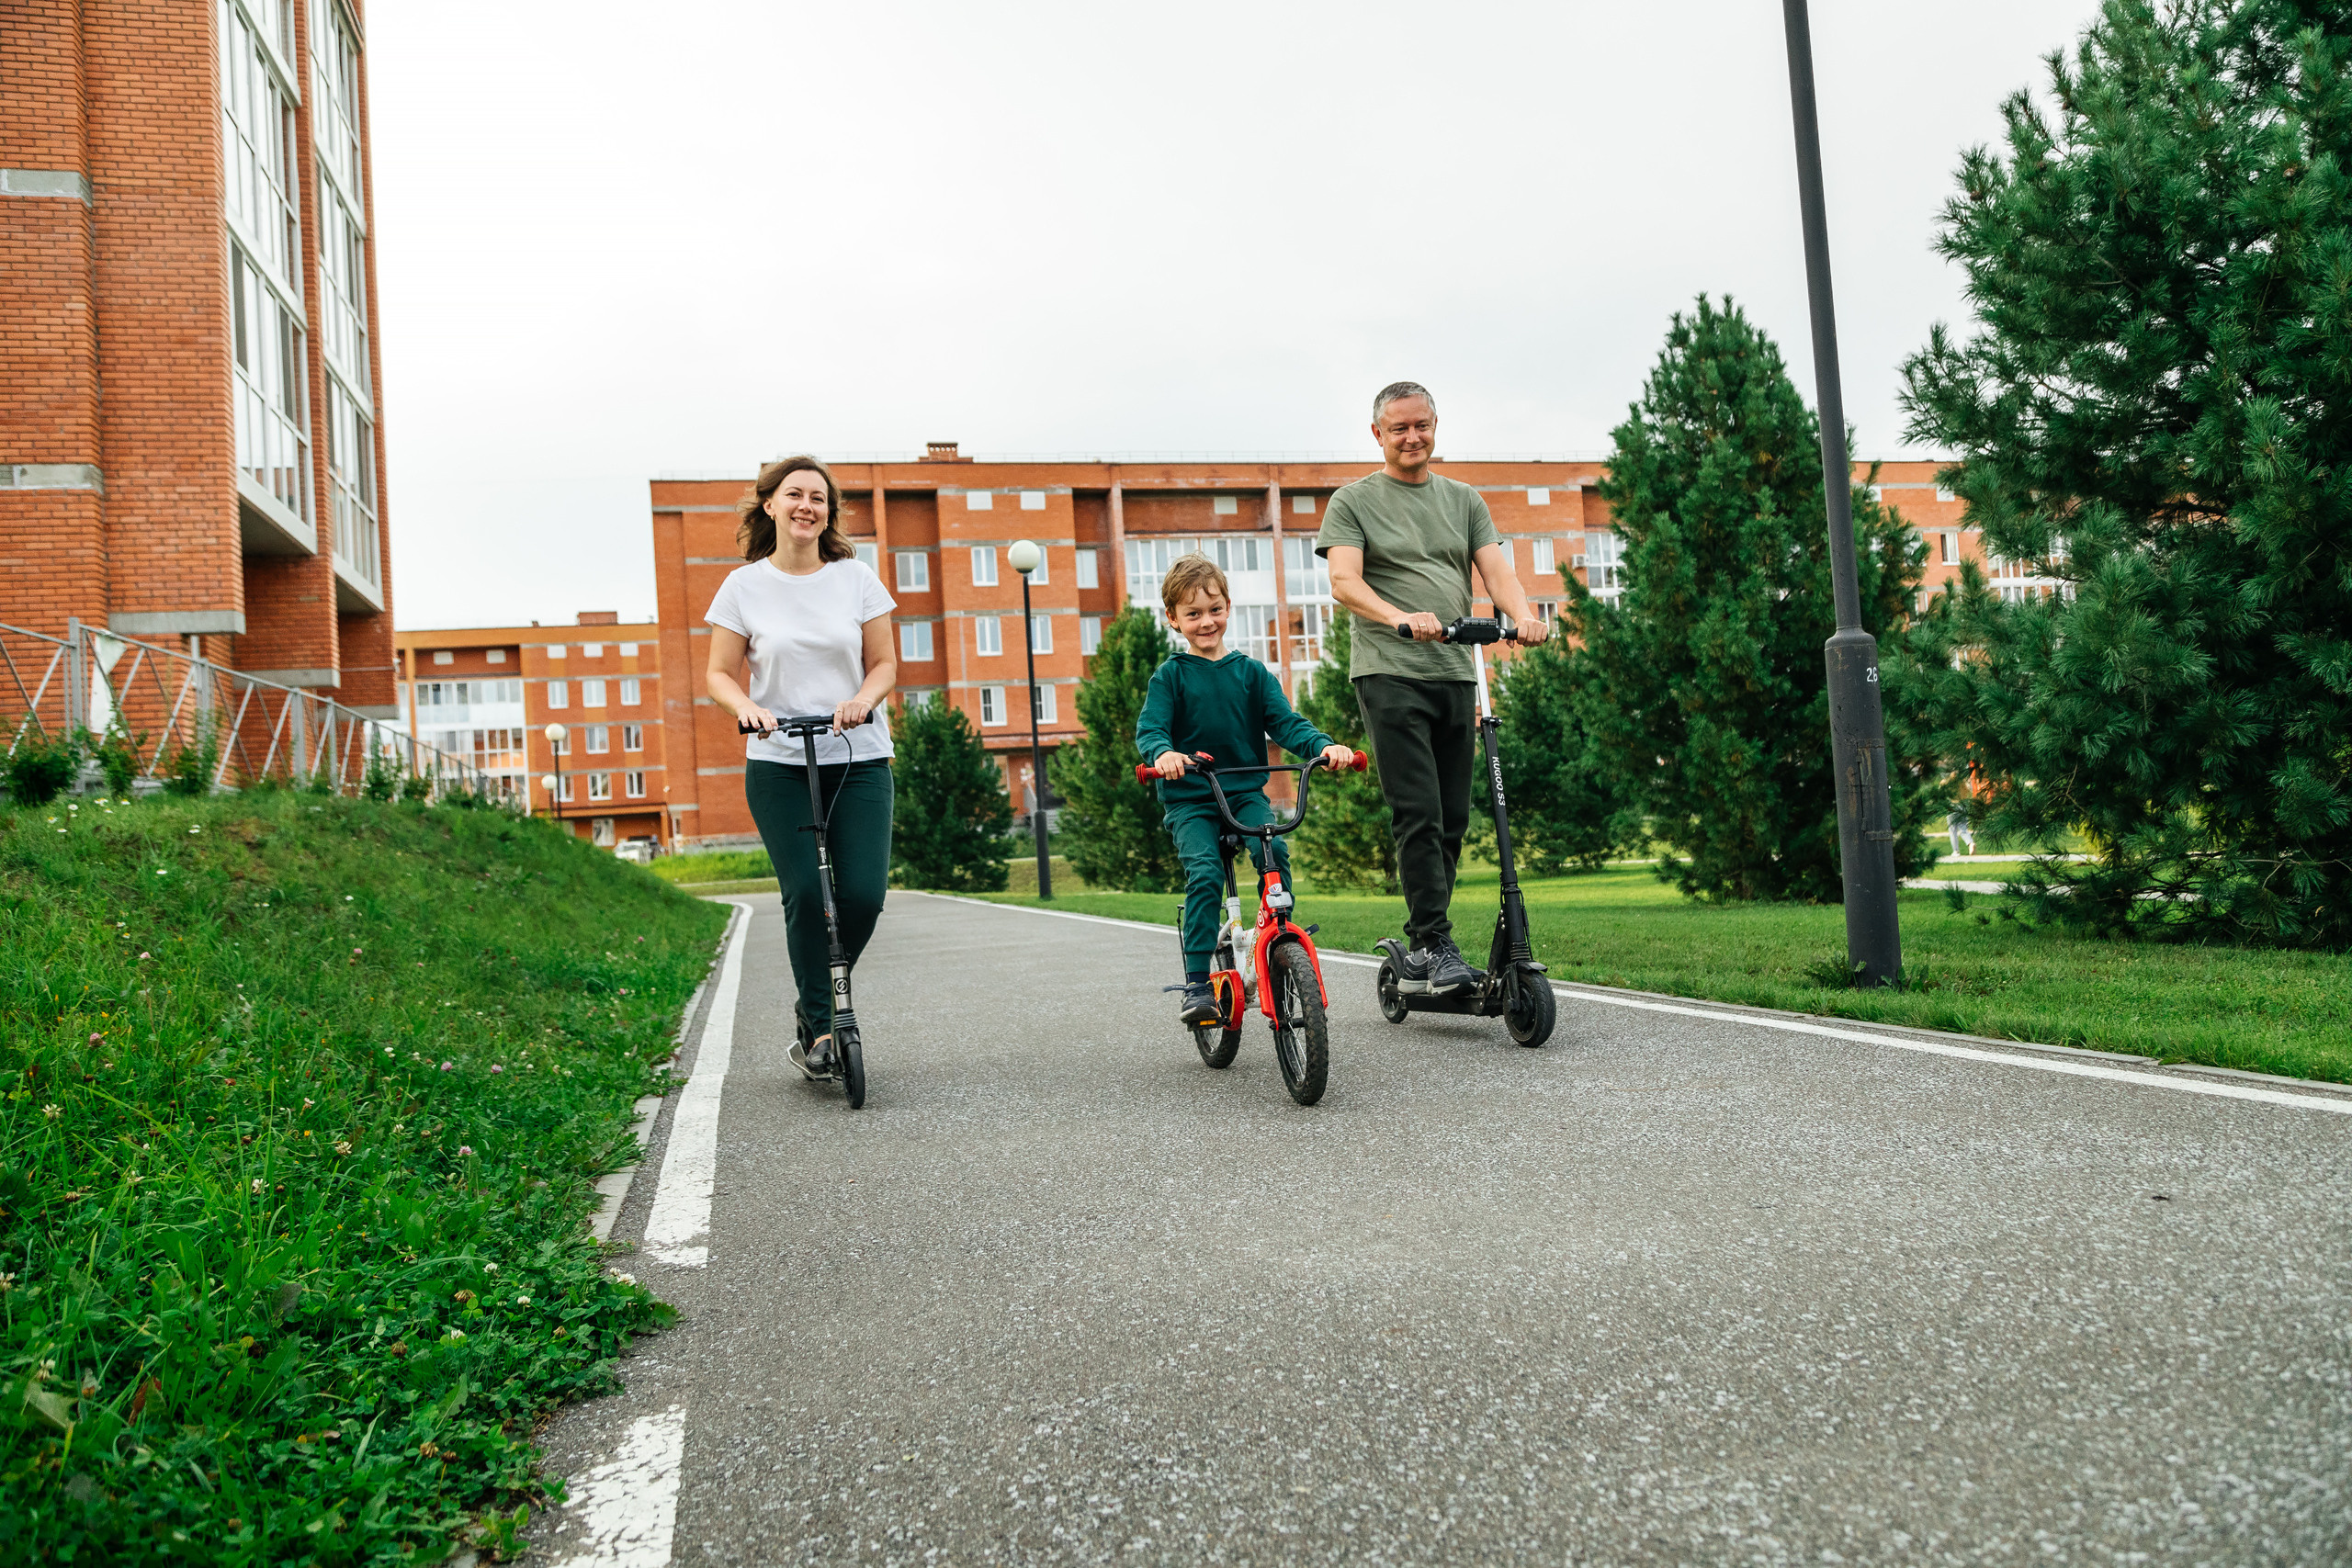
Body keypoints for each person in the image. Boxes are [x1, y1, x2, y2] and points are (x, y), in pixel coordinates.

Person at [1317, 381, 1551, 995]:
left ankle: (1424, 940)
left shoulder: (1464, 499)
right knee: (1417, 809)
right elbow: (1344, 579)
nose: (1412, 436)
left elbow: (1498, 571)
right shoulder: (1353, 501)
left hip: (1454, 670)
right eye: (1399, 428)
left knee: (1452, 816)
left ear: (1435, 425)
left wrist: (1522, 614)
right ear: (1378, 435)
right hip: (1390, 669)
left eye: (1421, 425)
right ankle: (1432, 939)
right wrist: (1397, 614)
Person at [704, 455, 897, 1079]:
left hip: (858, 755)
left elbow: (884, 662)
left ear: (828, 512)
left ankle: (816, 999)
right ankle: (821, 1023)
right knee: (808, 893)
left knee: (863, 894)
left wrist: (863, 700)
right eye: (795, 495)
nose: (807, 505)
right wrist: (748, 707)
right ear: (771, 505)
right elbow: (717, 673)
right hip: (780, 761)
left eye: (819, 497)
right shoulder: (743, 586)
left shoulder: (856, 579)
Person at [1136, 553, 1357, 1024]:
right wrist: (1163, 755)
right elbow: (1152, 730)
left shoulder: (1251, 673)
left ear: (1229, 607)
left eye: (1214, 610)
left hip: (1242, 794)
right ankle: (1197, 982)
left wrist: (1323, 747)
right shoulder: (1170, 676)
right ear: (1174, 619)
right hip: (1191, 798)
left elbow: (1285, 723)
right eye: (1192, 613)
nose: (1206, 621)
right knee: (1204, 873)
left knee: (1273, 851)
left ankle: (1277, 940)